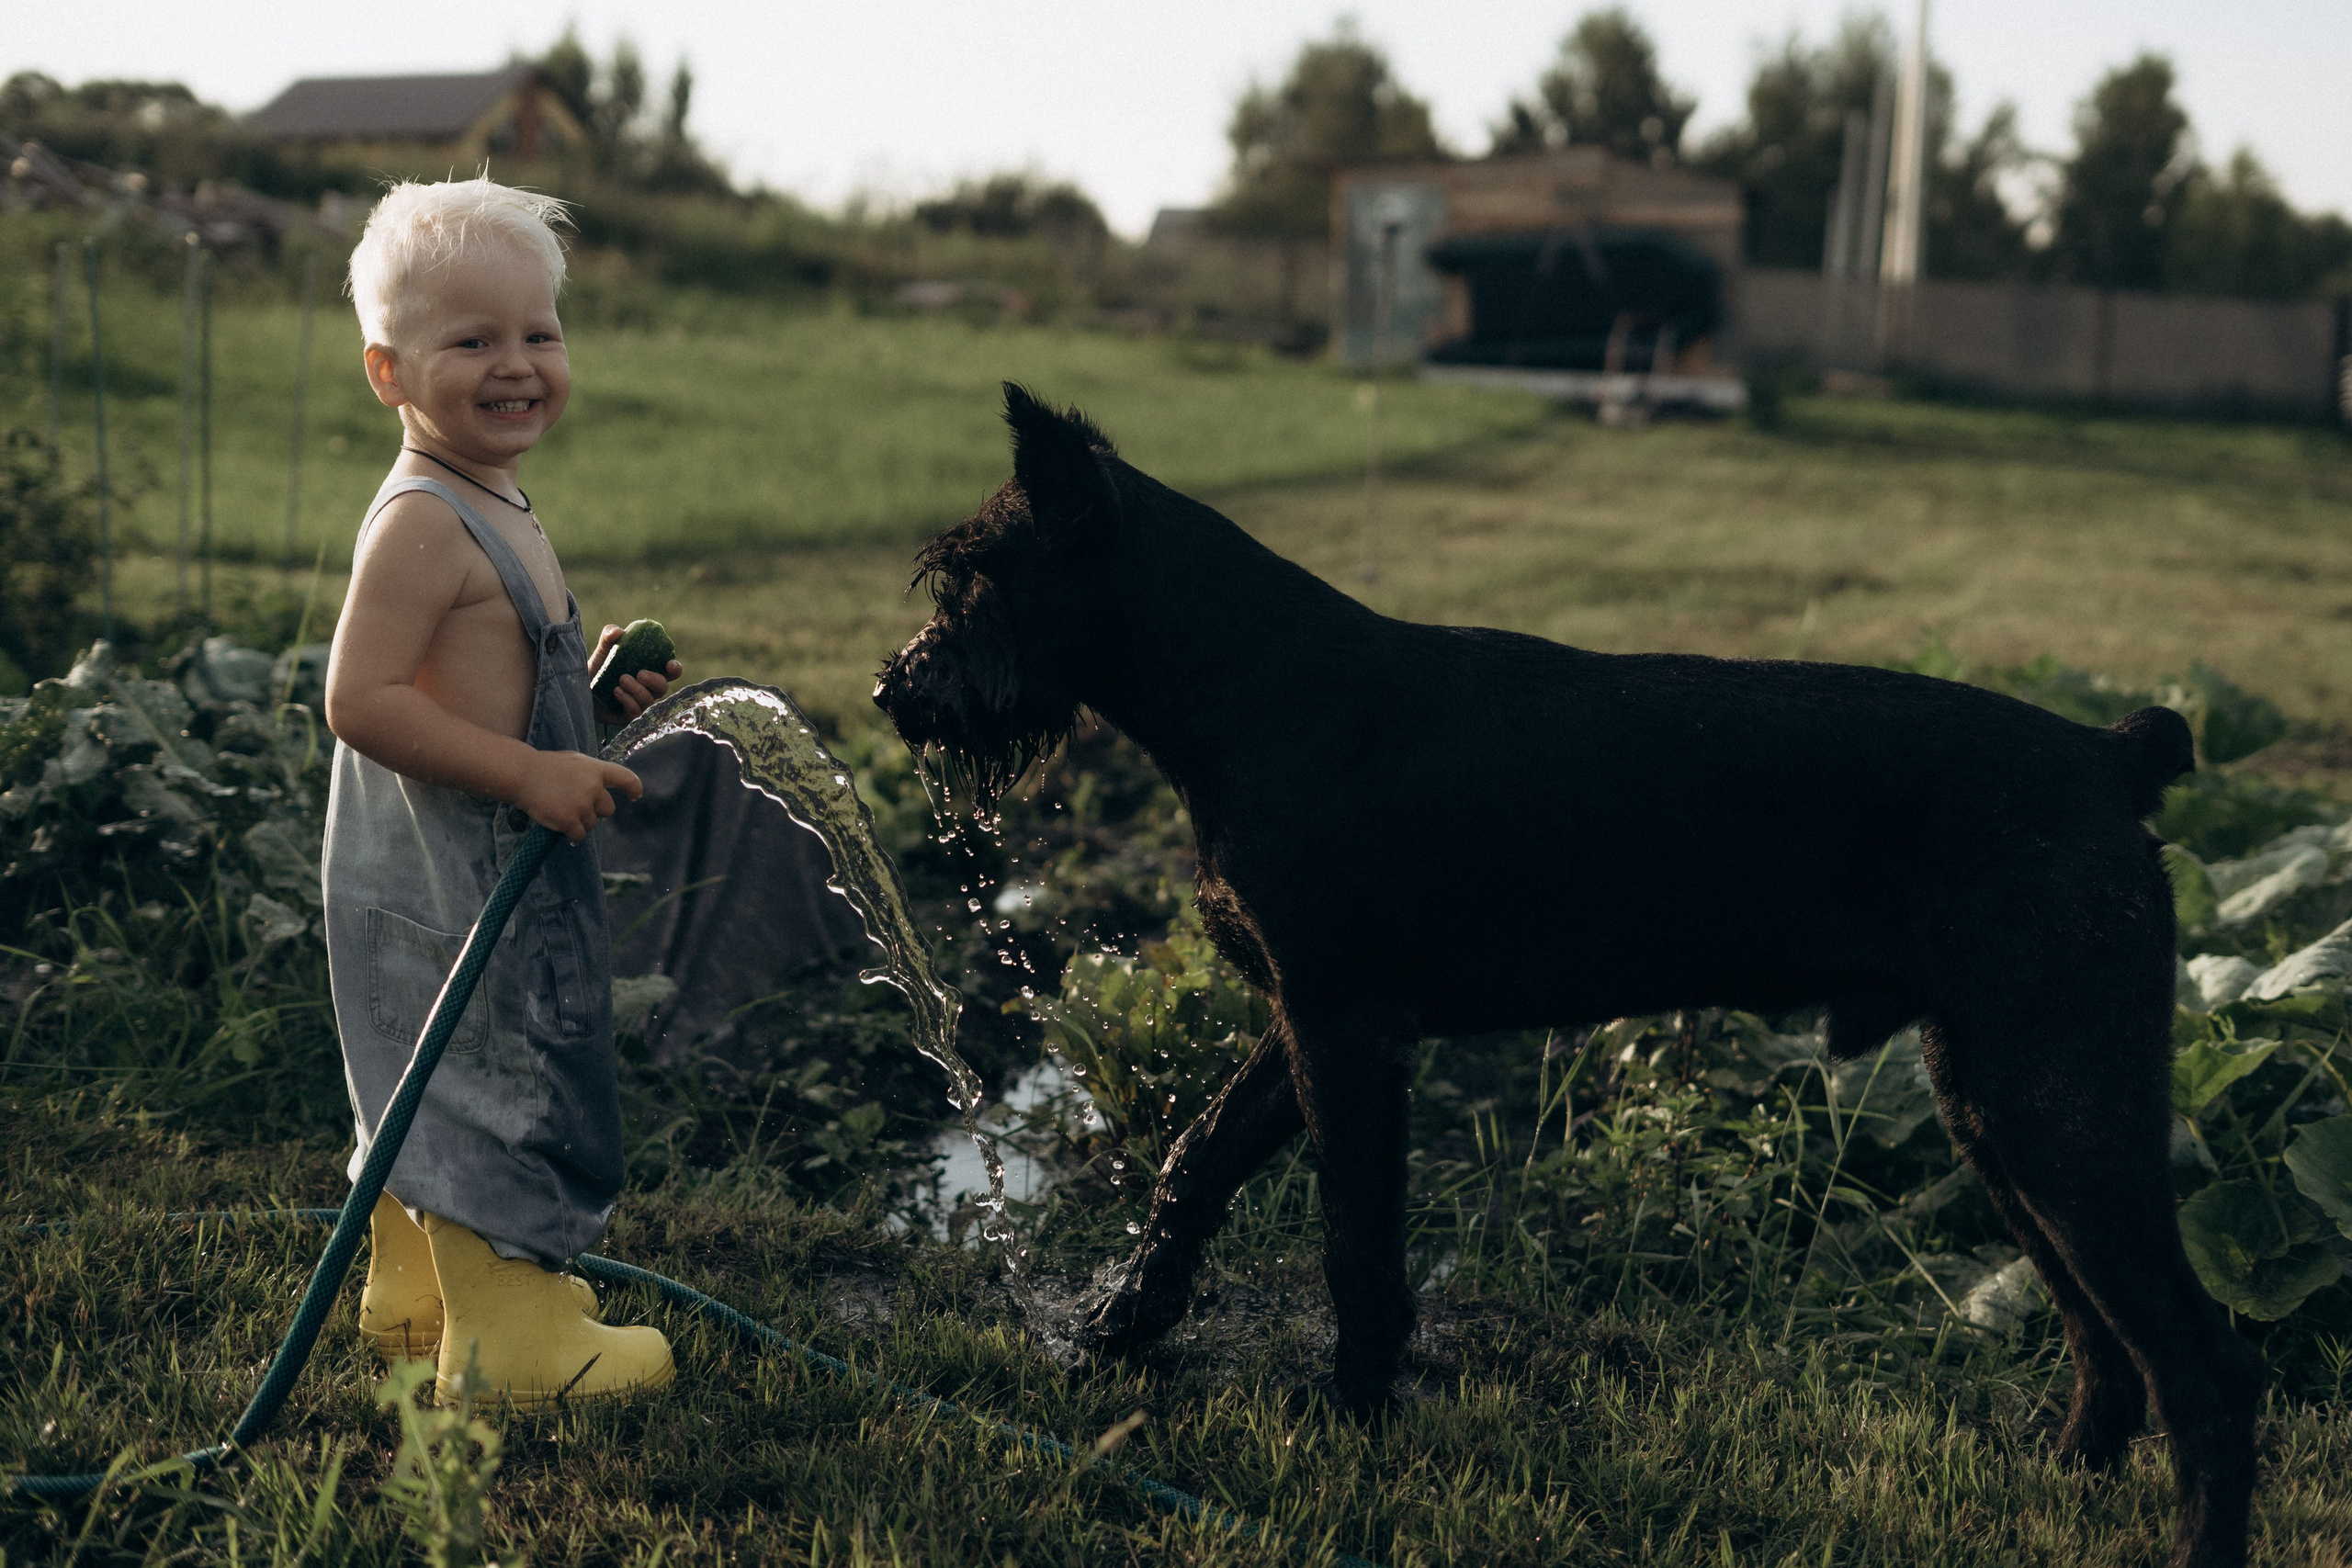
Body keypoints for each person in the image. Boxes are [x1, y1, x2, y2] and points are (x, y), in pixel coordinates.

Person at [322, 177, 683, 1407]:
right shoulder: (423, 522)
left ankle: (416, 1291)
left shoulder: (490, 494)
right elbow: (361, 698)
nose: (517, 364)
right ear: (390, 373)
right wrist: (532, 769)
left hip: (460, 864)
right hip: (463, 870)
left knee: (429, 1064)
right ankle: (508, 1342)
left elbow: (479, 672)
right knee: (498, 1074)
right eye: (473, 341)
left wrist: (584, 689)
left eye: (539, 333)